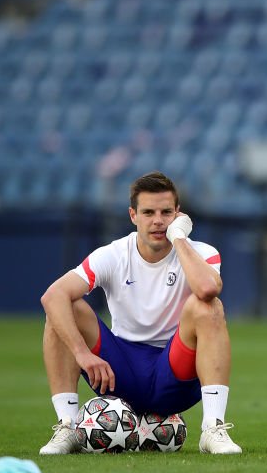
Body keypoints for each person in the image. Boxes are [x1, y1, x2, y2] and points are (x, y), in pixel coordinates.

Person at [38, 171, 242, 455]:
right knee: (64, 307)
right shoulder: (113, 254)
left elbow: (208, 288)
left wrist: (179, 238)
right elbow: (52, 295)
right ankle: (68, 426)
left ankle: (213, 428)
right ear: (133, 215)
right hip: (119, 373)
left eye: (166, 212)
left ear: (178, 214)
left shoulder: (202, 252)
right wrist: (82, 353)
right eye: (148, 212)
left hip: (175, 374)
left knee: (207, 307)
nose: (158, 220)